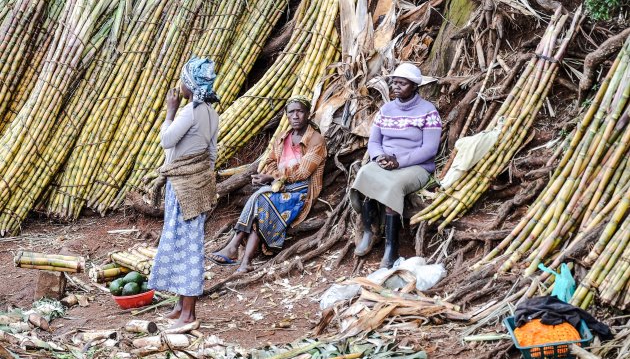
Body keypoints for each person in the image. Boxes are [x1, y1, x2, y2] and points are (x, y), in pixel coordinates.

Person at [209, 96, 326, 273]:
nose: (295, 116)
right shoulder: (282, 138)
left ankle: (235, 248)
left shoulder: (316, 140)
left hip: (300, 192)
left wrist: (272, 179)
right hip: (278, 188)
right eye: (291, 112)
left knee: (261, 199)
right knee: (262, 202)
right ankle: (244, 261)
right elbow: (270, 162)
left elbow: (303, 173)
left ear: (308, 114)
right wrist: (273, 177)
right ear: (286, 115)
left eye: (300, 111)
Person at [147, 57, 220, 328]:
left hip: (182, 188)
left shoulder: (190, 111)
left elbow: (167, 140)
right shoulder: (212, 113)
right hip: (197, 185)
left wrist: (169, 112)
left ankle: (189, 314)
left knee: (187, 247)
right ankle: (180, 306)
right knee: (184, 243)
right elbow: (212, 154)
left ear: (188, 84)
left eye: (182, 80)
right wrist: (202, 179)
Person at [350, 63, 441, 268]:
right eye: (394, 82)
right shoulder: (386, 109)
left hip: (416, 167)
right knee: (364, 173)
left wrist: (399, 162)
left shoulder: (428, 111)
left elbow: (429, 149)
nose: (396, 86)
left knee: (393, 186)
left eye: (402, 83)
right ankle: (368, 230)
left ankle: (391, 248)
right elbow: (374, 142)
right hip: (387, 161)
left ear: (414, 86)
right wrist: (379, 157)